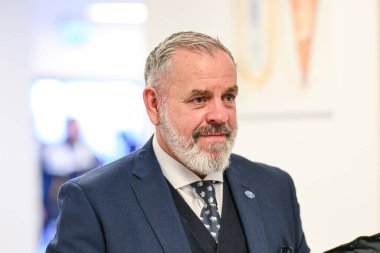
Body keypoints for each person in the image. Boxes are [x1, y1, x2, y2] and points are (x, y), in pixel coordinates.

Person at [46, 31, 310, 253]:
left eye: (228, 97)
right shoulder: (96, 202)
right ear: (154, 105)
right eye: (199, 99)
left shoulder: (275, 188)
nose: (220, 115)